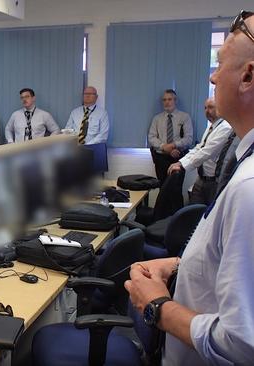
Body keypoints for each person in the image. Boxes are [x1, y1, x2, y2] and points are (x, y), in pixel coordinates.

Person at [125, 11, 254, 365]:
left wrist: (157, 307)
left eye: (220, 63)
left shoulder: (249, 188)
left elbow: (241, 344)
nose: (212, 76)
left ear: (248, 75)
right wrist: (183, 265)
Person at [167, 98, 232, 204]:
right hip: (201, 178)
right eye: (205, 108)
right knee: (193, 213)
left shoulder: (226, 127)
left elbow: (207, 152)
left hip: (214, 182)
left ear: (220, 108)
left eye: (210, 107)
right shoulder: (212, 127)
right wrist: (180, 162)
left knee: (207, 216)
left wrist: (183, 166)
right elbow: (199, 147)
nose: (207, 111)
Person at [148, 89, 194, 183]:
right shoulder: (157, 119)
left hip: (178, 157)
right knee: (162, 187)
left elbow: (188, 139)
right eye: (164, 100)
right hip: (161, 158)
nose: (167, 102)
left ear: (175, 100)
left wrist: (173, 145)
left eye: (169, 99)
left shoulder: (184, 117)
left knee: (176, 188)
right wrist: (164, 147)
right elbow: (151, 137)